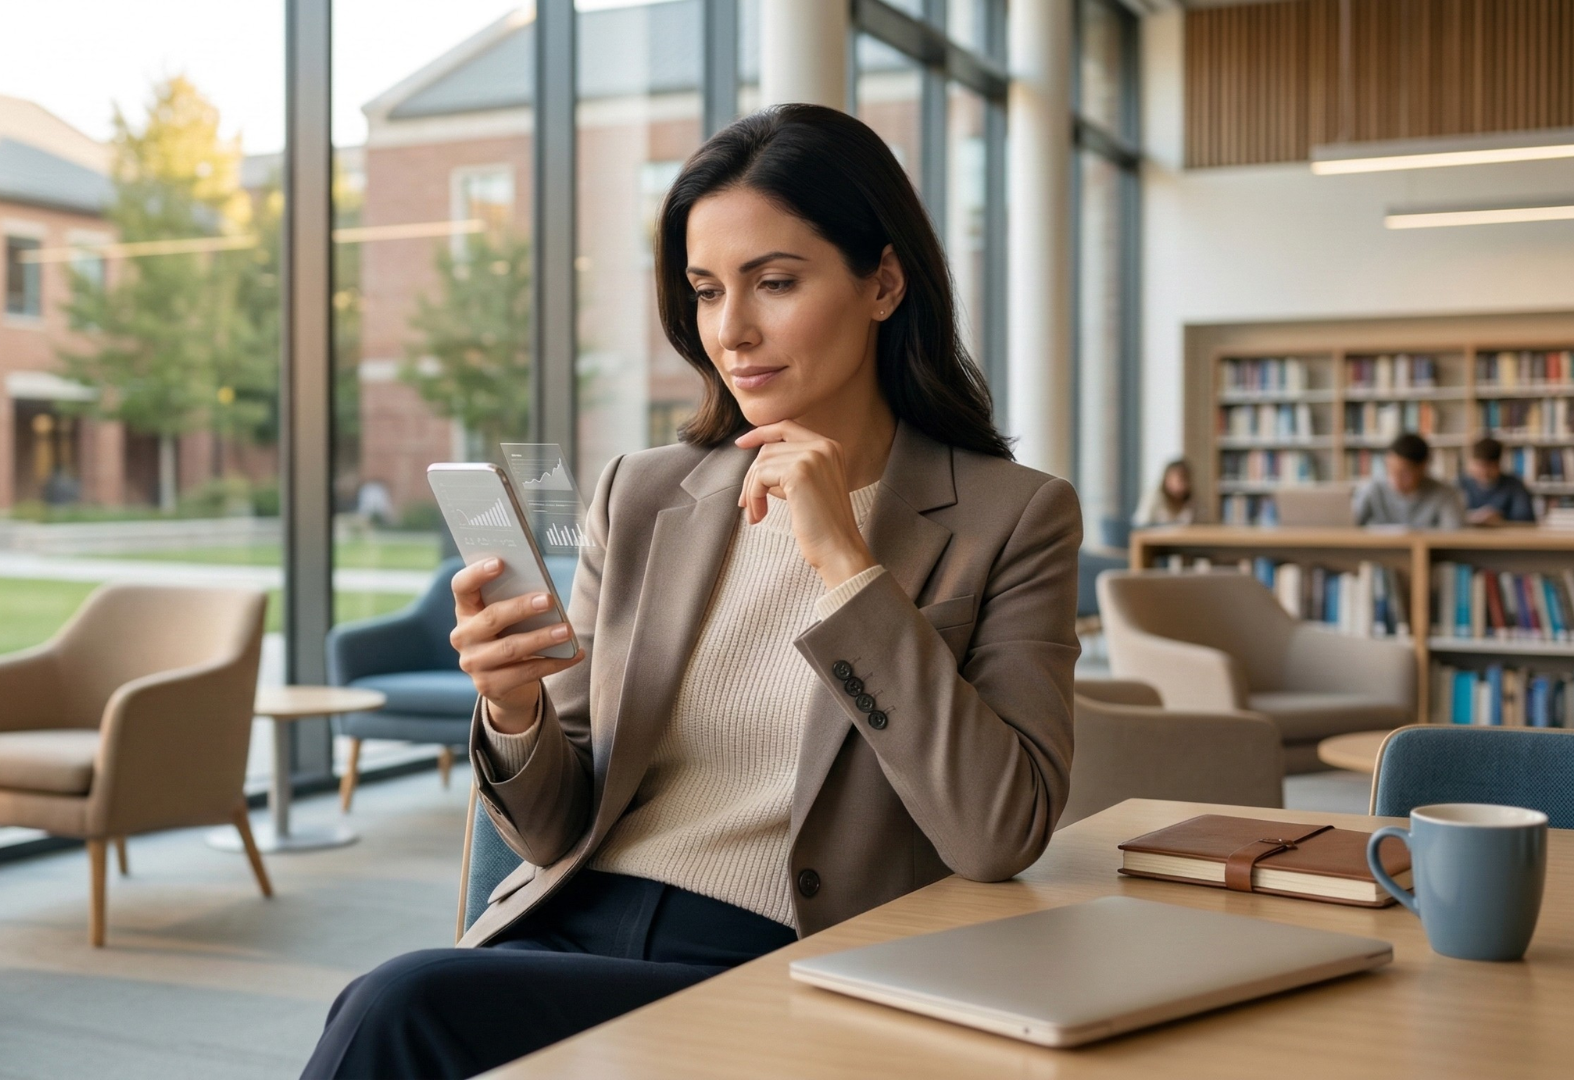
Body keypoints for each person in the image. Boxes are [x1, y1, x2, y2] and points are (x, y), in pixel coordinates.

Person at [301, 104, 1081, 1080]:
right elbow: (552, 826)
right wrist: (511, 709)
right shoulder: (645, 494)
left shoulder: (1015, 519)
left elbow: (999, 832)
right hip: (572, 925)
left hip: (781, 958)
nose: (732, 331)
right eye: (707, 292)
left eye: (776, 283)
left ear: (884, 281)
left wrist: (849, 568)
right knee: (404, 1003)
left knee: (401, 1008)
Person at [1351, 432, 1465, 528]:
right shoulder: (1373, 489)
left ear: (1423, 467)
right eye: (1390, 469)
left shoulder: (1445, 494)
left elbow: (1455, 535)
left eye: (1404, 472)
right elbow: (1349, 526)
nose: (1394, 478)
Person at [1460, 436, 1536, 524]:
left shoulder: (1514, 485)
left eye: (1490, 467)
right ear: (1471, 463)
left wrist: (1501, 519)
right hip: (1468, 536)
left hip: (1506, 536)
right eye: (1479, 466)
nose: (1484, 472)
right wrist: (1472, 517)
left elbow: (1526, 519)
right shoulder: (1460, 483)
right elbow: (1449, 516)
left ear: (1499, 464)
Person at [1133, 459, 1195, 528]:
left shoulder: (1193, 502)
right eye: (1179, 479)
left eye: (1186, 479)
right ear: (1167, 480)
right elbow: (1140, 526)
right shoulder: (1153, 498)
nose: (1182, 484)